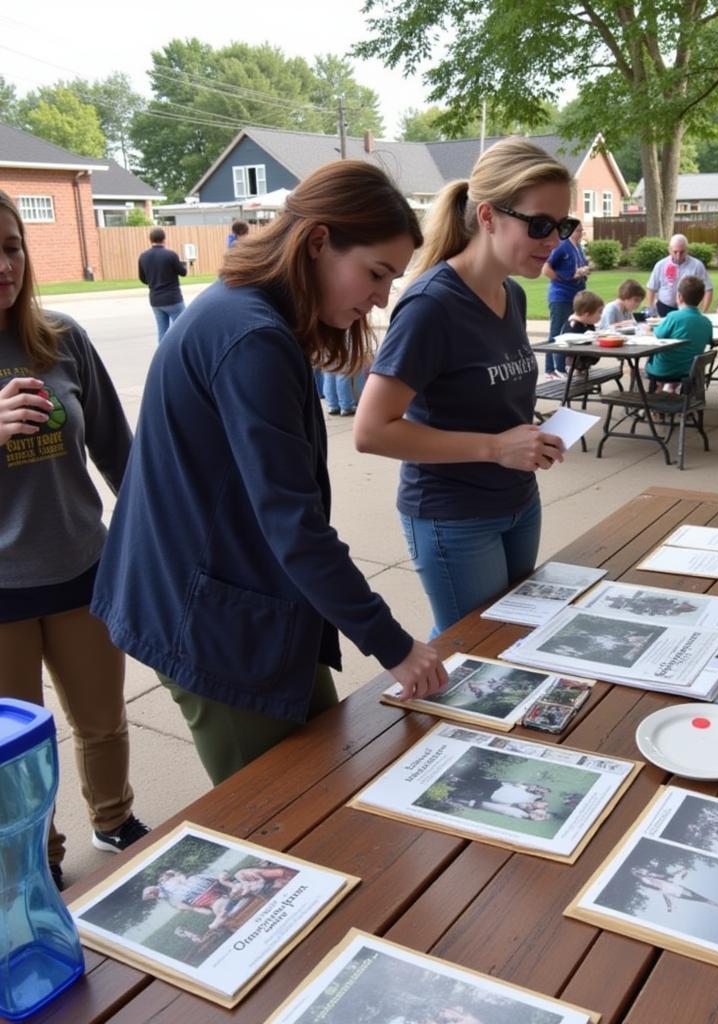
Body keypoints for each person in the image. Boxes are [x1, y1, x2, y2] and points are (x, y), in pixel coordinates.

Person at [92, 161, 447, 786]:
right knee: (279, 818)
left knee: (325, 779)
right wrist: (394, 645)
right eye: (375, 273)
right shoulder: (251, 336)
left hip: (243, 603)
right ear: (317, 242)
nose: (381, 296)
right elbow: (294, 524)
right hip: (208, 625)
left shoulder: (247, 312)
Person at [353, 138, 567, 637]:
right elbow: (371, 430)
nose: (554, 240)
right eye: (540, 224)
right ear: (489, 216)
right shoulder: (432, 305)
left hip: (518, 500)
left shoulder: (510, 293)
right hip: (454, 516)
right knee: (470, 649)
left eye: (563, 225)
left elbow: (486, 401)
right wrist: (496, 447)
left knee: (514, 638)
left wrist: (529, 438)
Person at [0, 189, 149, 892]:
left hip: (83, 569)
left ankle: (114, 820)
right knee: (15, 750)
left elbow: (121, 451)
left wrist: (156, 534)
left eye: (10, 247)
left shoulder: (62, 338)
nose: (4, 265)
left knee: (101, 719)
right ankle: (41, 855)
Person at [646, 275, 713, 392]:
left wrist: (648, 329)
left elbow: (657, 335)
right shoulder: (706, 322)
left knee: (644, 363)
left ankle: (652, 399)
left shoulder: (673, 317)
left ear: (679, 296)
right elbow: (709, 340)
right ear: (701, 299)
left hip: (665, 370)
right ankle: (666, 392)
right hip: (690, 370)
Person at [541, 221, 591, 378]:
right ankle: (551, 369)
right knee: (557, 332)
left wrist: (584, 271)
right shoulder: (562, 246)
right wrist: (564, 279)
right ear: (569, 231)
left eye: (581, 231)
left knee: (570, 332)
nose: (580, 233)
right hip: (561, 296)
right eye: (577, 230)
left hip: (576, 295)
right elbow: (546, 268)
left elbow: (577, 266)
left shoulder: (578, 247)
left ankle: (565, 365)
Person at [138, 227, 187, 343]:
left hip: (155, 299)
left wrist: (153, 281)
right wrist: (183, 264)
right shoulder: (170, 255)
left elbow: (143, 278)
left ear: (150, 240)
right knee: (182, 327)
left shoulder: (143, 256)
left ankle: (162, 355)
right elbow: (183, 272)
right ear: (164, 239)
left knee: (162, 331)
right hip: (172, 298)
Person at [645, 234, 713, 317]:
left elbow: (708, 289)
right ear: (669, 250)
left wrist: (704, 312)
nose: (678, 255)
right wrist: (652, 310)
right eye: (675, 252)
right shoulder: (661, 265)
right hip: (664, 308)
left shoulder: (697, 265)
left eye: (682, 252)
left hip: (688, 309)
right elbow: (651, 288)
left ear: (687, 250)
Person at [631, 866, 718, 915]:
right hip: (674, 892)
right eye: (639, 871)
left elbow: (665, 877)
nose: (642, 871)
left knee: (702, 899)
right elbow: (660, 884)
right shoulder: (646, 878)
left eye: (640, 870)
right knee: (701, 900)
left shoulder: (649, 875)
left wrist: (680, 872)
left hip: (675, 889)